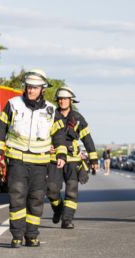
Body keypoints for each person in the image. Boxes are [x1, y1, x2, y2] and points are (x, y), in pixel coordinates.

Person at [0, 69, 68, 248]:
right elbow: (0, 127)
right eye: (28, 87)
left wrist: (61, 154)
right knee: (17, 197)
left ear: (43, 89)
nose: (31, 90)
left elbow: (59, 135)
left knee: (36, 199)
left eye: (35, 87)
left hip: (40, 163)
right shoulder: (13, 104)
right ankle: (17, 235)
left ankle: (32, 235)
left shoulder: (51, 110)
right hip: (17, 160)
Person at [47, 86, 98, 229]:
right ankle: (58, 209)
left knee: (71, 191)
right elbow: (41, 134)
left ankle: (67, 220)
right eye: (60, 99)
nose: (62, 101)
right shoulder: (50, 116)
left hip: (73, 159)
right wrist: (46, 146)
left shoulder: (78, 118)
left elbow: (87, 139)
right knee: (51, 189)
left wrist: (93, 159)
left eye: (65, 99)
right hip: (54, 159)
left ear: (71, 101)